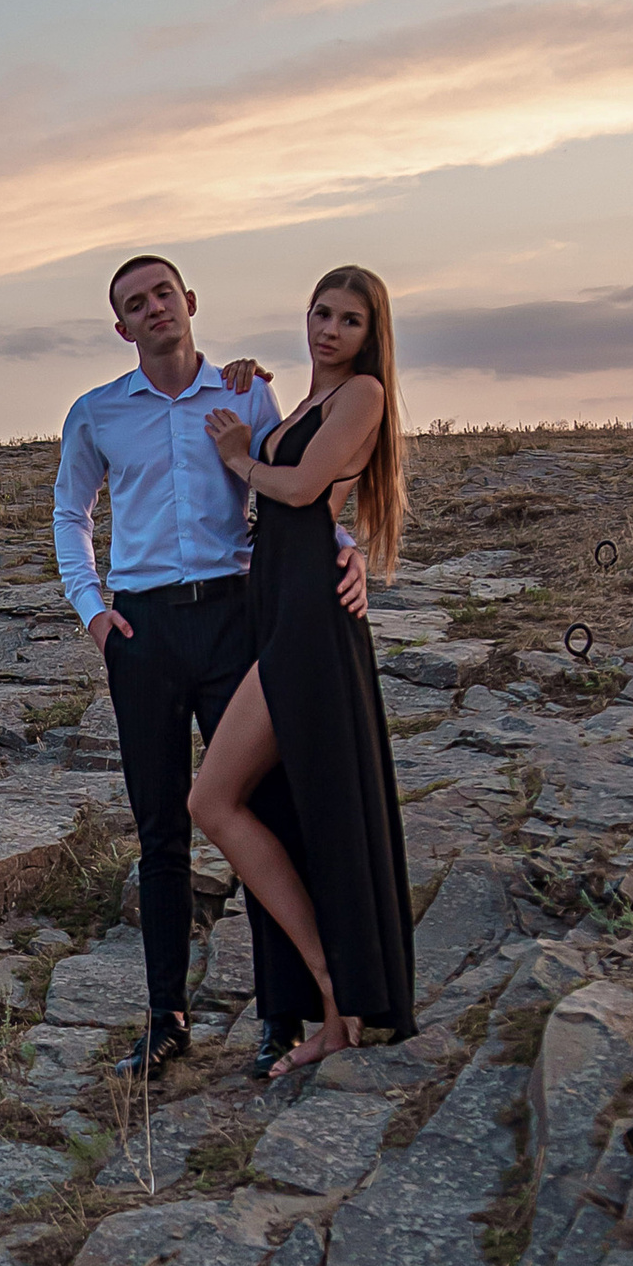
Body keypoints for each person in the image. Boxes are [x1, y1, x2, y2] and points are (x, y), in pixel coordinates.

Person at [53, 252, 369, 1078]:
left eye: (164, 292)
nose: (154, 307)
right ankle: (166, 1017)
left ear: (189, 300)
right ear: (121, 326)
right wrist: (94, 613)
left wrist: (348, 550)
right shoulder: (95, 412)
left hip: (236, 619)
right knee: (160, 828)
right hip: (144, 631)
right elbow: (69, 513)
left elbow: (297, 489)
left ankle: (281, 1015)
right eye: (136, 303)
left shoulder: (244, 392)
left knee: (259, 811)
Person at [186, 263, 415, 1069]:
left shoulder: (364, 395)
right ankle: (332, 1005)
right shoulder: (311, 401)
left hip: (312, 620)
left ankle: (332, 988)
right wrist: (247, 388)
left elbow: (304, 490)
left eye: (350, 320)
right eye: (322, 313)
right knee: (288, 807)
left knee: (214, 799)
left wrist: (239, 456)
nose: (330, 330)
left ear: (371, 334)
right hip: (280, 607)